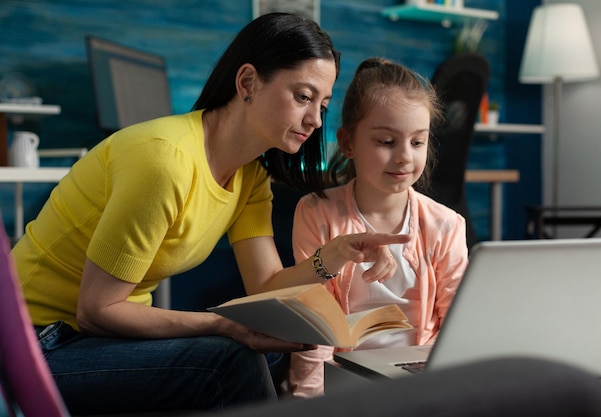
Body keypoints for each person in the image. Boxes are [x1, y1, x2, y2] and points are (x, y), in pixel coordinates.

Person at [10, 15, 410, 415]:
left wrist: (336, 255)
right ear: (248, 83)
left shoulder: (250, 176)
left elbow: (266, 285)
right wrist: (221, 324)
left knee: (271, 349)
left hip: (92, 338)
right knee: (230, 360)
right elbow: (97, 310)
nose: (316, 120)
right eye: (303, 97)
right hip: (32, 343)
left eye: (322, 104)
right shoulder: (165, 163)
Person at [287, 58, 469, 397]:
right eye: (387, 142)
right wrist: (308, 402)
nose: (404, 157)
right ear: (348, 143)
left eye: (417, 142)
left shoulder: (446, 224)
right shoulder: (316, 213)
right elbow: (314, 322)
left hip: (421, 378)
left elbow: (458, 325)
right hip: (345, 378)